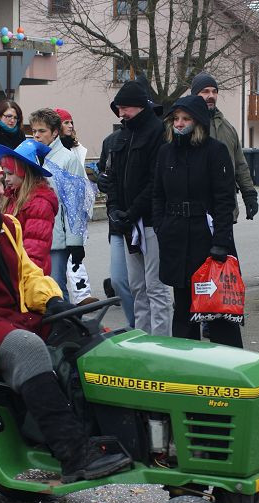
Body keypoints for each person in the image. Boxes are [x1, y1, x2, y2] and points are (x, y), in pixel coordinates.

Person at [0, 151, 132, 482]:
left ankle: (104, 431)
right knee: (27, 347)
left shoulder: (7, 225)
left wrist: (53, 302)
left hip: (9, 315)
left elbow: (28, 276)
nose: (1, 189)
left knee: (87, 333)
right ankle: (73, 454)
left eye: (0, 180)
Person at [151, 95, 242, 347]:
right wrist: (161, 227)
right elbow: (157, 194)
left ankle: (228, 363)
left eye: (186, 118)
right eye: (176, 119)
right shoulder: (165, 152)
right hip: (175, 237)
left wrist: (221, 242)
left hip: (207, 239)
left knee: (216, 308)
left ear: (198, 121)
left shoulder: (215, 151)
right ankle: (184, 362)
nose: (179, 124)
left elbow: (225, 200)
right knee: (183, 308)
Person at [107, 80, 172, 336]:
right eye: (119, 108)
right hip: (128, 224)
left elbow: (155, 181)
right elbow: (113, 175)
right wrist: (114, 208)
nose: (121, 114)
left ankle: (161, 345)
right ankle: (143, 341)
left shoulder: (157, 132)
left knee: (156, 287)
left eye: (125, 108)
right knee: (136, 287)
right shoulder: (125, 133)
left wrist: (131, 212)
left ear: (140, 107)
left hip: (150, 223)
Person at [29, 108, 90, 301]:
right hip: (32, 234)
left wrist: (75, 242)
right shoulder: (30, 155)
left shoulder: (67, 159)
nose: (37, 136)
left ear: (55, 132)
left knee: (55, 290)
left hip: (57, 238)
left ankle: (65, 329)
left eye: (42, 131)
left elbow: (74, 204)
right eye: (34, 131)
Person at [191, 72, 258, 222]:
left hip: (225, 209)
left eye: (214, 91)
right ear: (195, 94)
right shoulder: (186, 125)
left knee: (224, 246)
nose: (211, 96)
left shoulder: (227, 128)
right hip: (196, 212)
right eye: (205, 91)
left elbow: (240, 165)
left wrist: (249, 194)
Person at [0, 139, 57, 274]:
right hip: (12, 268)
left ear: (24, 173)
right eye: (5, 174)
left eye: (10, 174)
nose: (6, 179)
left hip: (27, 274)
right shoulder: (11, 196)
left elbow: (35, 249)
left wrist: (22, 275)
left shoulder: (39, 203)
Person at [54, 107, 95, 305]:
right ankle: (81, 294)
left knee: (76, 251)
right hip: (61, 211)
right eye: (65, 122)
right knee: (68, 253)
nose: (70, 126)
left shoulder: (77, 149)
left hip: (79, 206)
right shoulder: (55, 152)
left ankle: (81, 292)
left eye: (71, 122)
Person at [98, 127, 135, 326]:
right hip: (118, 223)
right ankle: (135, 324)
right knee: (119, 281)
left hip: (144, 221)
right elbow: (104, 173)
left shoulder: (155, 136)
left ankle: (147, 329)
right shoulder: (110, 141)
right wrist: (103, 182)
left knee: (147, 286)